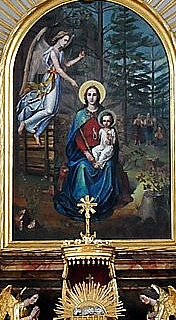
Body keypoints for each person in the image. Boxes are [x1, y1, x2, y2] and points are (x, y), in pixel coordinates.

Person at [54, 82, 130, 222]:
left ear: (98, 96)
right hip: (83, 153)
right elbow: (77, 137)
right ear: (85, 97)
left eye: (94, 94)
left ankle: (102, 201)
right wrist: (87, 153)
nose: (92, 97)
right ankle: (82, 200)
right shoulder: (80, 115)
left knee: (108, 166)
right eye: (89, 94)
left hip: (103, 152)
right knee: (82, 167)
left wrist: (108, 144)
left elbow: (112, 138)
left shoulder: (104, 114)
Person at [16, 29, 84, 145]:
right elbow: (59, 70)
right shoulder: (52, 52)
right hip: (50, 80)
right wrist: (71, 80)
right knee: (49, 110)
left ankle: (38, 132)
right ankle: (25, 123)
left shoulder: (60, 53)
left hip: (56, 81)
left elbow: (65, 65)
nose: (65, 43)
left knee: (53, 111)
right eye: (65, 40)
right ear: (59, 38)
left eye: (67, 41)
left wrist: (79, 58)